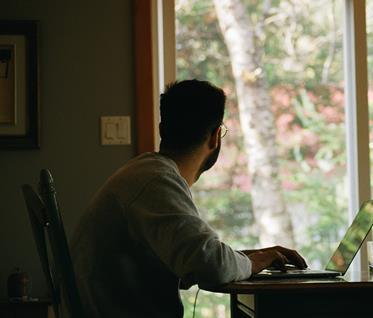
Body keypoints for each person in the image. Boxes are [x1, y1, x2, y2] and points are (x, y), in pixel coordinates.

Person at [70, 79, 307, 318]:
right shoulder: (156, 181)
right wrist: (253, 263)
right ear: (216, 137)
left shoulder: (145, 174)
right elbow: (211, 266)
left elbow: (194, 257)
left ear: (162, 130)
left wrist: (248, 258)